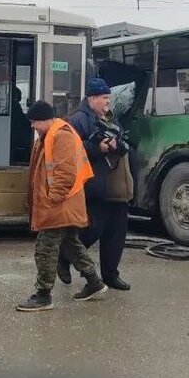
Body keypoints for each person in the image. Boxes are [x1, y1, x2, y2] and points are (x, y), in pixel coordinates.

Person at [17, 100, 108, 312]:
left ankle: (43, 295)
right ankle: (94, 282)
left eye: (34, 122)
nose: (33, 127)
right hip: (61, 204)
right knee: (70, 244)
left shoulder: (61, 136)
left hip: (59, 205)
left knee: (46, 248)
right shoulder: (50, 135)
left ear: (45, 120)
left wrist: (51, 201)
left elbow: (65, 174)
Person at [58, 78, 134, 291]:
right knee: (91, 231)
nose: (108, 102)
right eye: (104, 98)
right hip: (96, 187)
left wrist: (117, 144)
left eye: (109, 97)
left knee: (116, 234)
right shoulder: (78, 120)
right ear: (91, 98)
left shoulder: (112, 119)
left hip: (118, 187)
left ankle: (111, 275)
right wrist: (96, 148)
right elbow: (70, 148)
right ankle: (64, 257)